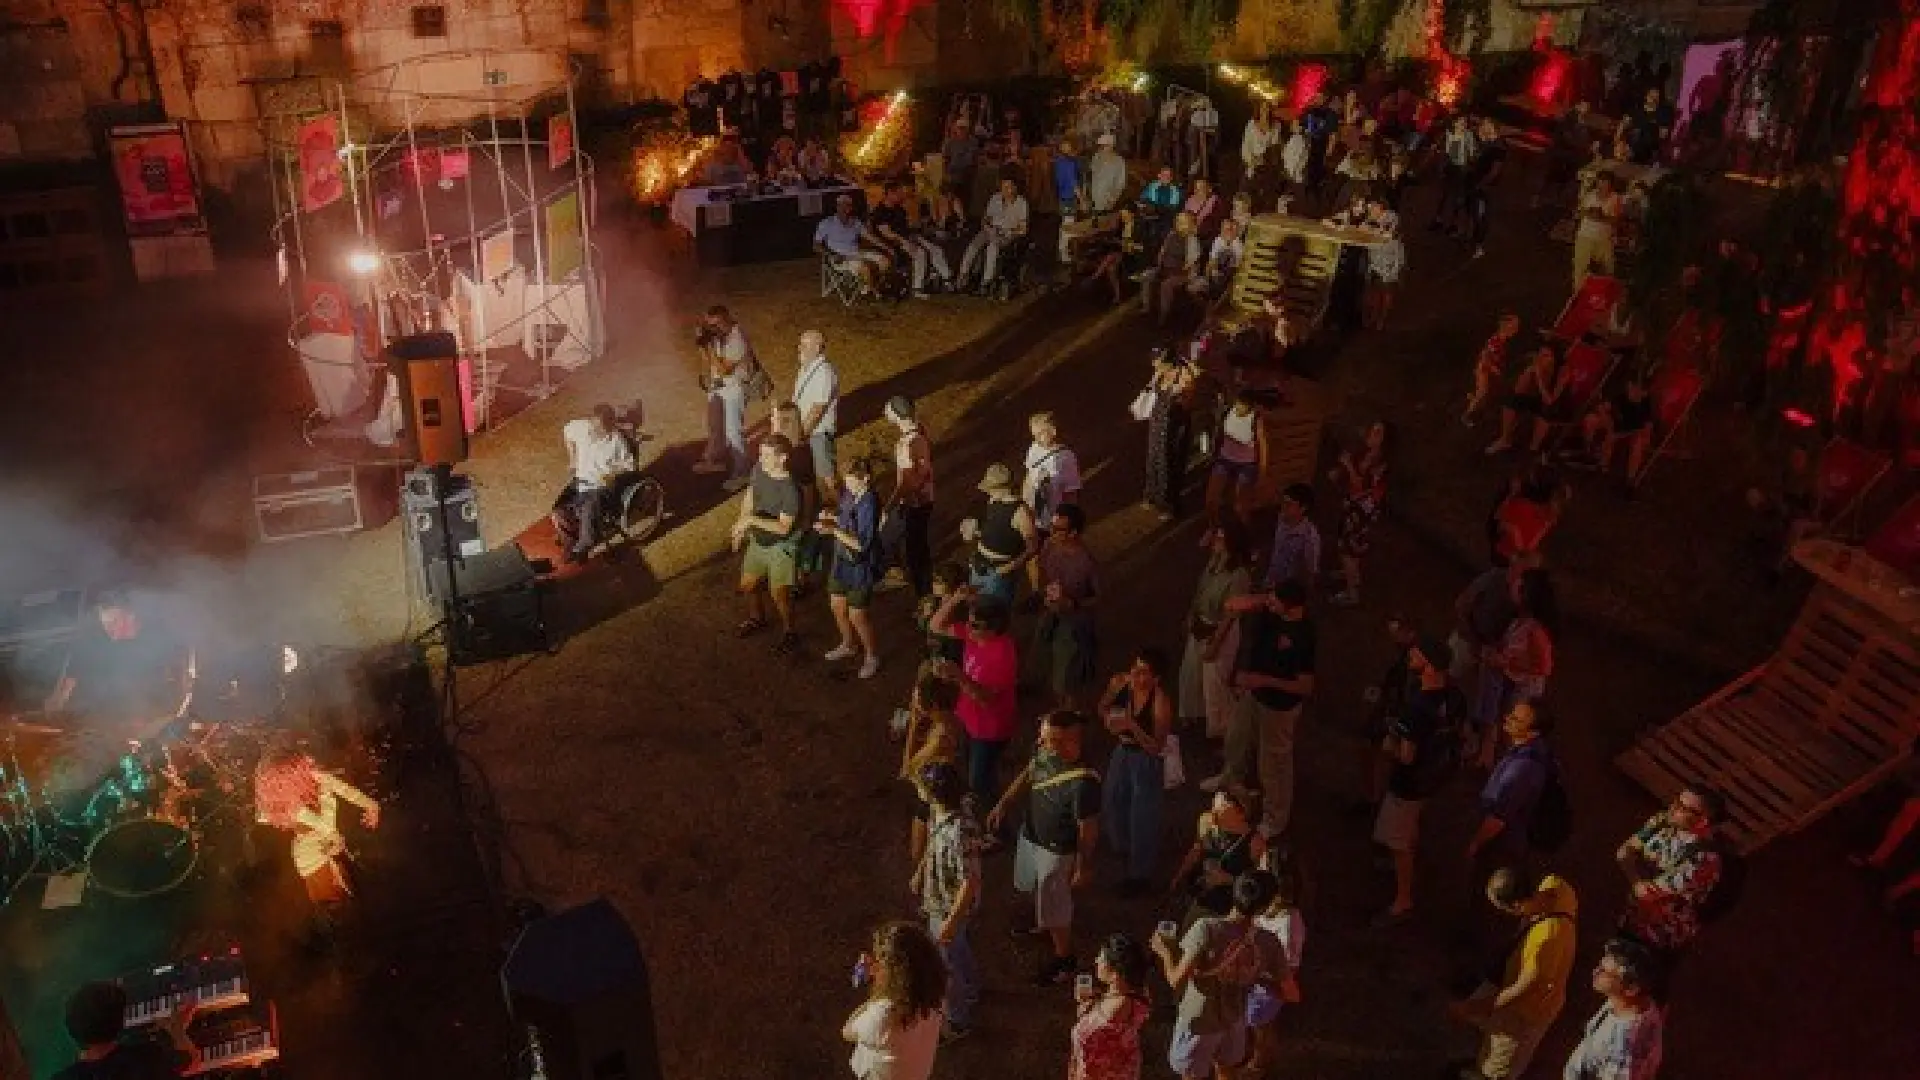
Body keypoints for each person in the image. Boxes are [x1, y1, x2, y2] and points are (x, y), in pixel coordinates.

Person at [988, 710, 1102, 986]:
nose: (1042, 745)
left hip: (1057, 850)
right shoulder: (1045, 753)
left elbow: (1088, 829)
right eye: (1043, 738)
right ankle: (1043, 923)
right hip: (1032, 835)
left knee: (1055, 902)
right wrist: (1004, 802)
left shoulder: (1083, 783)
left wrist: (1083, 865)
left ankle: (1064, 959)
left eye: (1049, 740)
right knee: (1036, 887)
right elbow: (1029, 772)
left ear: (1070, 743)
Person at [1206, 579, 1316, 840]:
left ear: (1290, 607)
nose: (1269, 603)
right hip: (1254, 696)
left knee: (1273, 763)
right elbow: (1236, 603)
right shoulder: (1274, 610)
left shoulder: (1303, 636)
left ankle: (1275, 818)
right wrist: (1259, 600)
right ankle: (1230, 778)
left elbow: (1305, 686)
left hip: (1278, 708)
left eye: (1275, 600)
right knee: (1236, 737)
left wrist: (1262, 680)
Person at [1448, 867, 1578, 1080]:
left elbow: (1523, 989)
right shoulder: (1556, 886)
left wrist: (1473, 1008)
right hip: (1523, 991)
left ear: (1517, 906)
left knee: (1500, 1066)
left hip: (1526, 1013)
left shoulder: (1546, 939)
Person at [1152, 872, 1284, 1080]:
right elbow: (1289, 991)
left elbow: (1175, 979)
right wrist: (1254, 976)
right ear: (1264, 907)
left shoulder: (1206, 929)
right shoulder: (1269, 942)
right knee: (1226, 1070)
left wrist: (1165, 952)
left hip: (1199, 1021)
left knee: (1192, 1075)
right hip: (1234, 1019)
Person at [1374, 636, 1467, 924]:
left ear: (1427, 665)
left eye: (1416, 654)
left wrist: (1388, 740)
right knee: (1410, 826)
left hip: (1409, 784)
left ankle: (1403, 899)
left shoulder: (1416, 708)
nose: (1410, 656)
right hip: (1435, 776)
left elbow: (1405, 756)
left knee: (1396, 838)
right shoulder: (1454, 696)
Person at [253, 745, 380, 940]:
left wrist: (371, 805)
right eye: (303, 768)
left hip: (327, 851)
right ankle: (348, 952)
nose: (311, 769)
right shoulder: (290, 807)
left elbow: (343, 789)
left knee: (351, 902)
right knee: (339, 911)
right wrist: (327, 794)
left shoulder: (307, 783)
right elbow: (325, 826)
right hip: (315, 860)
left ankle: (357, 945)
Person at [1615, 783, 1727, 980]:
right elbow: (1623, 853)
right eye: (1676, 800)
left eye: (1683, 808)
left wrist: (1636, 874)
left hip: (1659, 937)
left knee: (1631, 983)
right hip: (1634, 918)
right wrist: (1636, 880)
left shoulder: (1704, 860)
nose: (1673, 808)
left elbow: (1646, 893)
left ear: (1703, 821)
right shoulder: (1662, 821)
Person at [909, 760, 982, 1042]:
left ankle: (957, 1020)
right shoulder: (940, 814)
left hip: (949, 907)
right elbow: (932, 843)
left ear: (933, 794)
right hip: (940, 899)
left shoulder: (960, 831)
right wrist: (920, 872)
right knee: (959, 949)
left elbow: (970, 880)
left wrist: (951, 921)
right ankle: (973, 988)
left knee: (945, 965)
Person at [930, 591, 1018, 817]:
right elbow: (936, 624)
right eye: (968, 621)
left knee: (979, 781)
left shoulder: (1002, 655)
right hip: (968, 719)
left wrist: (959, 677)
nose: (968, 628)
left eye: (975, 625)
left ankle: (994, 824)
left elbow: (987, 699)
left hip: (989, 730)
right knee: (972, 769)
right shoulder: (975, 636)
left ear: (993, 628)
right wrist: (956, 598)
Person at [1099, 648, 1174, 895]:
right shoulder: (1121, 683)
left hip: (1145, 760)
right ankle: (1122, 846)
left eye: (1143, 672)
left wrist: (1132, 725)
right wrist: (1110, 721)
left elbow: (1156, 746)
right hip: (1123, 752)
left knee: (1142, 816)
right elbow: (1103, 706)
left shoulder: (1160, 702)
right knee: (1112, 799)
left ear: (1156, 679)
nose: (1135, 674)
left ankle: (1140, 875)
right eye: (1135, 667)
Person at [730, 434, 804, 653]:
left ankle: (790, 631)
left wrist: (751, 520)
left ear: (782, 458)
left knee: (779, 594)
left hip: (781, 546)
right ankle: (757, 618)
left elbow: (783, 528)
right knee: (748, 584)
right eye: (760, 453)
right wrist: (741, 523)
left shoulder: (790, 490)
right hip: (758, 539)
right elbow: (750, 495)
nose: (760, 458)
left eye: (765, 455)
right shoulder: (759, 469)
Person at [843, 921, 945, 1079]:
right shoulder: (936, 994)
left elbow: (847, 1031)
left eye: (879, 960)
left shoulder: (883, 1017)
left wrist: (879, 988)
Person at [1179, 521, 1252, 739]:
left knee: (1216, 686)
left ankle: (1225, 732)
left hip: (1220, 632)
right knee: (1191, 674)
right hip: (1201, 626)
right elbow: (1201, 590)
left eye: (1219, 538)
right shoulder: (1214, 562)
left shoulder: (1238, 575)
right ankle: (1194, 715)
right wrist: (1191, 615)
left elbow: (1230, 617)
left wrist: (1215, 645)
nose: (1214, 541)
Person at [1468, 701, 1554, 872]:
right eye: (1511, 713)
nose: (1507, 718)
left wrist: (1475, 843)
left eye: (1516, 719)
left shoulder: (1520, 772)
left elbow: (1498, 819)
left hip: (1503, 845)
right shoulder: (1534, 750)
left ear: (1533, 732)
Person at [1561, 938, 1665, 1080]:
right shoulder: (1637, 1004)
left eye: (1604, 971)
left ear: (1631, 989)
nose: (1595, 972)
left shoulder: (1622, 1046)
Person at [1032, 505, 1101, 709]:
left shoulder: (1086, 562)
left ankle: (1067, 714)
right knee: (1042, 656)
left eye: (1058, 529)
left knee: (1066, 675)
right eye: (1052, 527)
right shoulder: (1049, 546)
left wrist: (1073, 603)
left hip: (1073, 621)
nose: (1052, 533)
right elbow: (1042, 569)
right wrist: (1042, 589)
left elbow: (1099, 597)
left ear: (1074, 532)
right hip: (1050, 612)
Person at [53, 981, 196, 1079]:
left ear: (71, 1028)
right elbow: (189, 1058)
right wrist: (177, 1029)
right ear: (120, 1023)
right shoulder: (146, 1059)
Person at [821, 458, 883, 679]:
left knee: (858, 616)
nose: (847, 485)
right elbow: (844, 516)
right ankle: (848, 644)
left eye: (852, 481)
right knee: (837, 605)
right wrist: (832, 517)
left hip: (859, 565)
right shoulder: (849, 494)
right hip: (841, 561)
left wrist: (833, 531)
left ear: (865, 479)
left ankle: (872, 656)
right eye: (846, 480)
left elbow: (862, 544)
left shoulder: (870, 503)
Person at [1242, 867, 1306, 1075]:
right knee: (1257, 1020)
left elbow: (1287, 964)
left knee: (1261, 1023)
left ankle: (1259, 1062)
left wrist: (1257, 972)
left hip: (1267, 985)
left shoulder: (1287, 923)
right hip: (1257, 979)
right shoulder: (1268, 914)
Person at [1171, 789, 1267, 924]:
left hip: (1227, 907)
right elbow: (1196, 851)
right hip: (1199, 893)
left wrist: (1228, 880)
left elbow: (1261, 887)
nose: (1212, 814)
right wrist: (1179, 876)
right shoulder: (1207, 822)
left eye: (1219, 811)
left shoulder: (1255, 844)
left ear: (1241, 813)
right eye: (1213, 807)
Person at [556, 404, 636, 565]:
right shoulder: (582, 427)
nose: (597, 430)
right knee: (559, 510)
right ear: (591, 420)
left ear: (609, 425)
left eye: (602, 428)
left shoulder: (616, 440)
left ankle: (584, 545)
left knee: (588, 509)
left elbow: (630, 465)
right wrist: (572, 458)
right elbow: (567, 432)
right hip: (580, 481)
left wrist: (613, 473)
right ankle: (570, 543)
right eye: (596, 425)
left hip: (601, 485)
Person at [901, 670, 965, 866]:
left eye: (917, 700)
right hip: (942, 791)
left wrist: (912, 725)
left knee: (919, 854)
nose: (914, 704)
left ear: (934, 705)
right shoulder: (953, 721)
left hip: (933, 799)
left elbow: (906, 769)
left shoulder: (940, 738)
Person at [693, 305, 759, 491]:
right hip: (718, 388)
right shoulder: (719, 335)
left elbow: (723, 369)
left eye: (714, 325)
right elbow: (709, 363)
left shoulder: (737, 339)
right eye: (709, 325)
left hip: (733, 389)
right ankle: (714, 460)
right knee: (715, 426)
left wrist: (709, 346)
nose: (712, 329)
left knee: (733, 431)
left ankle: (743, 471)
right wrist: (702, 344)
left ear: (725, 320)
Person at [1069, 934, 1151, 1080]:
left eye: (1101, 959)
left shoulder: (1110, 1014)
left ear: (1115, 975)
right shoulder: (1139, 993)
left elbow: (1088, 1050)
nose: (1096, 961)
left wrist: (1084, 1010)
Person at [1328, 421, 1389, 607]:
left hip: (1362, 513)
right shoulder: (1366, 454)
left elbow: (1361, 486)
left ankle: (1351, 593)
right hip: (1354, 508)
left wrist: (1347, 466)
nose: (1372, 434)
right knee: (1347, 545)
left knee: (1349, 551)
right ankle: (1350, 573)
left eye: (1378, 433)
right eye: (1372, 430)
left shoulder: (1380, 462)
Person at [964, 463, 1038, 605]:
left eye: (990, 488)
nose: (988, 492)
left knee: (994, 615)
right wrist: (976, 533)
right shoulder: (993, 501)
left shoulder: (1021, 513)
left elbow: (1033, 547)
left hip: (998, 573)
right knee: (975, 609)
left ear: (1002, 488)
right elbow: (998, 531)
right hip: (978, 565)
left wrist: (1008, 567)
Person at [885, 395, 936, 597]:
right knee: (919, 547)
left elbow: (908, 482)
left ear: (896, 415)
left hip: (914, 502)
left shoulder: (906, 444)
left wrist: (889, 505)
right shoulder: (920, 432)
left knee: (913, 551)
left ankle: (923, 597)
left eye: (888, 410)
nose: (885, 413)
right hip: (926, 498)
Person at [1023, 412, 1083, 578]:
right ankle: (1037, 592)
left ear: (1053, 431)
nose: (1036, 438)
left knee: (1054, 558)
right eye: (1034, 434)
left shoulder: (1067, 458)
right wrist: (1025, 507)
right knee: (1033, 556)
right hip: (1034, 516)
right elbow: (1028, 477)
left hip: (1053, 521)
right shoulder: (1033, 449)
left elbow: (1071, 493)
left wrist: (1069, 522)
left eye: (1041, 433)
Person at [1140, 346, 1196, 517]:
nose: (1154, 365)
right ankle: (1152, 495)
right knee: (1154, 458)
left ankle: (1169, 505)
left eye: (1157, 362)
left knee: (1170, 462)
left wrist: (1179, 394)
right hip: (1158, 421)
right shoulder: (1159, 371)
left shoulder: (1184, 375)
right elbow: (1151, 387)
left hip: (1174, 425)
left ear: (1168, 362)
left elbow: (1187, 405)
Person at [1205, 389, 1267, 527]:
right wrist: (1213, 453)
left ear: (1251, 406)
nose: (1240, 407)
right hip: (1225, 458)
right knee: (1211, 499)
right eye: (1238, 403)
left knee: (1240, 506)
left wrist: (1262, 470)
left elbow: (1262, 445)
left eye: (1244, 405)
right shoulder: (1228, 411)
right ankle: (1212, 528)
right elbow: (1220, 433)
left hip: (1246, 464)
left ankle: (1242, 536)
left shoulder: (1255, 418)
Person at [1580, 369, 1655, 481]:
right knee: (1590, 420)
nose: (1633, 391)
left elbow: (1646, 428)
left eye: (1639, 390)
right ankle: (1589, 452)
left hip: (1631, 432)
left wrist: (1620, 434)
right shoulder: (1621, 397)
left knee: (1636, 442)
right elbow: (1601, 407)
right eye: (1631, 387)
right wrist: (1606, 417)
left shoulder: (1645, 404)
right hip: (1615, 426)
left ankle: (1630, 480)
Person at [791, 330, 841, 496]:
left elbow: (818, 410)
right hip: (806, 430)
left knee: (827, 474)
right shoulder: (806, 368)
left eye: (805, 345)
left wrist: (801, 435)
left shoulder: (824, 373)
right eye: (800, 344)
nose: (799, 348)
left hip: (817, 432)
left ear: (818, 347)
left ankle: (842, 505)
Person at [958, 177, 1029, 291]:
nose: (1005, 190)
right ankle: (963, 275)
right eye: (1003, 187)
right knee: (973, 246)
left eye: (1008, 187)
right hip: (990, 229)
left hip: (1006, 233)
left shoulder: (1021, 203)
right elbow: (986, 217)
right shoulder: (995, 199)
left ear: (1014, 188)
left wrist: (1010, 232)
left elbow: (1023, 228)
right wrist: (987, 226)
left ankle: (986, 281)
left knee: (992, 247)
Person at [1140, 211, 1202, 325]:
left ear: (1191, 225)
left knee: (1166, 285)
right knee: (1146, 276)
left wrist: (1175, 271)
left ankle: (1164, 314)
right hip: (1166, 268)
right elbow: (1163, 251)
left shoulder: (1192, 240)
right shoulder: (1171, 235)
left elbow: (1190, 263)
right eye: (1178, 221)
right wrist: (1160, 265)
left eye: (1183, 222)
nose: (1179, 224)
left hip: (1182, 273)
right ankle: (1146, 306)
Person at [1261, 483, 1322, 593]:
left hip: (1288, 592)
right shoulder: (1278, 521)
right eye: (1283, 502)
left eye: (1289, 504)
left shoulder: (1310, 536)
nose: (1283, 507)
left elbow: (1310, 571)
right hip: (1269, 584)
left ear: (1303, 508)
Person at [1462, 313, 1521, 426]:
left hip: (1490, 370)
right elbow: (1485, 356)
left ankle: (1478, 409)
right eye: (1514, 326)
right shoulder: (1496, 340)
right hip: (1485, 370)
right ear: (1506, 326)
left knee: (1488, 393)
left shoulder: (1503, 341)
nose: (1516, 330)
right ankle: (1468, 415)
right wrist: (1493, 369)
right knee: (1483, 392)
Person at [1572, 170, 1621, 290]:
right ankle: (1578, 294)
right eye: (1600, 182)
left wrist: (1602, 216)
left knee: (1608, 269)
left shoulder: (1615, 199)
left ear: (1610, 184)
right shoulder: (1589, 196)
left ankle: (1603, 294)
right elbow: (1578, 213)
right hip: (1585, 237)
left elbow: (1616, 220)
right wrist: (1586, 212)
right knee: (1580, 268)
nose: (1602, 185)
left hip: (1604, 240)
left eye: (1605, 182)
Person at [1615, 87, 1673, 166]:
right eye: (1652, 97)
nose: (1654, 99)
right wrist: (1618, 139)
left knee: (1643, 132)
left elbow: (1663, 135)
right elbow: (1623, 124)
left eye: (1656, 97)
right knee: (1635, 133)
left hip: (1648, 147)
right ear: (1646, 96)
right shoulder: (1637, 110)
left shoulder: (1662, 114)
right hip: (1631, 144)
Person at [1088, 132, 1127, 215]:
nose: (1102, 148)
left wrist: (1113, 198)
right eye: (1101, 146)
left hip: (1108, 200)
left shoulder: (1118, 161)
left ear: (1111, 146)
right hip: (1095, 197)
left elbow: (1120, 183)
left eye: (1105, 146)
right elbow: (1093, 174)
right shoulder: (1097, 156)